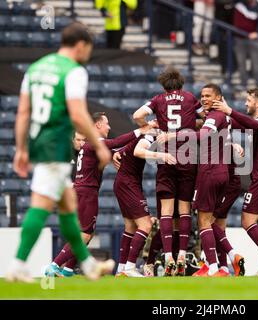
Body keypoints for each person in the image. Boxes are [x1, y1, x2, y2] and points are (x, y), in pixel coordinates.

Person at [6, 22, 114, 282]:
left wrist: (21, 148)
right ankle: (18, 264)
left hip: (38, 141)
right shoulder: (73, 71)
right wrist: (99, 145)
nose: (88, 53)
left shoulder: (36, 68)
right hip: (55, 143)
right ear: (80, 45)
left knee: (67, 205)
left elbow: (23, 112)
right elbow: (77, 113)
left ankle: (87, 265)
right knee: (40, 205)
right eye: (89, 47)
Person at [45, 112, 156, 277]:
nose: (109, 127)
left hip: (82, 190)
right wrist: (142, 130)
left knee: (85, 232)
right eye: (107, 123)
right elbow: (115, 142)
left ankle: (68, 269)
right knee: (85, 233)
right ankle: (54, 265)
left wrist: (117, 153)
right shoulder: (94, 142)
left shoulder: (88, 145)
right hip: (87, 191)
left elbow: (114, 150)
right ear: (98, 125)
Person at [158, 84, 244, 277]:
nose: (204, 99)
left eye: (208, 96)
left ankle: (213, 267)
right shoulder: (221, 118)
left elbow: (204, 134)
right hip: (223, 174)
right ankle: (225, 261)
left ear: (219, 98)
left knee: (203, 222)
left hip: (210, 173)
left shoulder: (215, 116)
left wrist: (174, 134)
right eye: (202, 96)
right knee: (213, 222)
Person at [133, 67, 205, 276]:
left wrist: (150, 126)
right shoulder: (191, 98)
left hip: (166, 157)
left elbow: (137, 115)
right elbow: (204, 118)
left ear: (164, 85)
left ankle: (168, 257)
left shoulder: (158, 100)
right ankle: (182, 254)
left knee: (165, 211)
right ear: (181, 84)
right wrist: (191, 124)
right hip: (188, 157)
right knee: (184, 209)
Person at [213, 87, 258, 276]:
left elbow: (251, 124)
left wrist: (229, 111)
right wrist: (221, 117)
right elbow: (240, 125)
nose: (245, 103)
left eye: (248, 99)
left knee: (247, 221)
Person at [113, 131, 177, 277]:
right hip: (128, 184)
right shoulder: (149, 135)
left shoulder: (144, 134)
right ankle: (130, 267)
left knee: (130, 227)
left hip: (125, 182)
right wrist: (163, 155)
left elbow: (125, 149)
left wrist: (117, 152)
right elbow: (138, 151)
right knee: (146, 225)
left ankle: (121, 269)